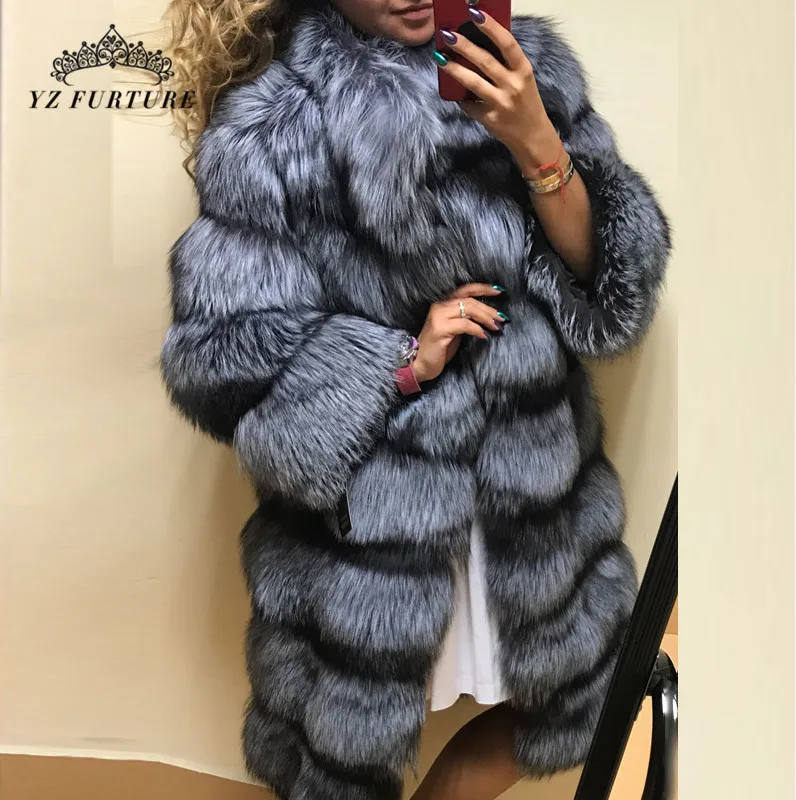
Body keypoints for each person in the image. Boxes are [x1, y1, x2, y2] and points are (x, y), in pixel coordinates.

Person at [160, 0, 672, 797]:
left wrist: (536, 140)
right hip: (377, 531)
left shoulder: (526, 69)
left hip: (531, 509)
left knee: (578, 700)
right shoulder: (272, 124)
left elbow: (612, 294)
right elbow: (224, 359)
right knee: (346, 761)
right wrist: (398, 362)